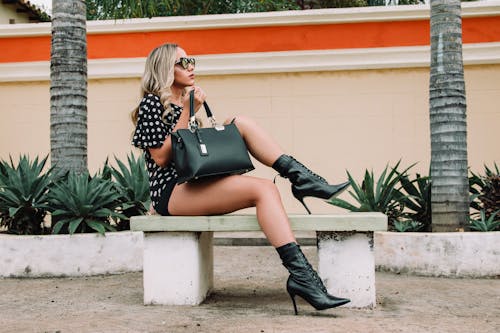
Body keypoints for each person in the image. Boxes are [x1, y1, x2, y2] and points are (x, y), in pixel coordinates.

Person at [131, 43, 351, 315]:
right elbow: (163, 158)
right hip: (172, 190)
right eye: (182, 62)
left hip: (195, 182)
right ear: (164, 68)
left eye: (192, 60)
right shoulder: (151, 103)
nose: (191, 66)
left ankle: (301, 179)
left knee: (242, 123)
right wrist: (189, 111)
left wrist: (189, 110)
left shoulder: (183, 102)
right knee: (263, 191)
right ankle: (304, 278)